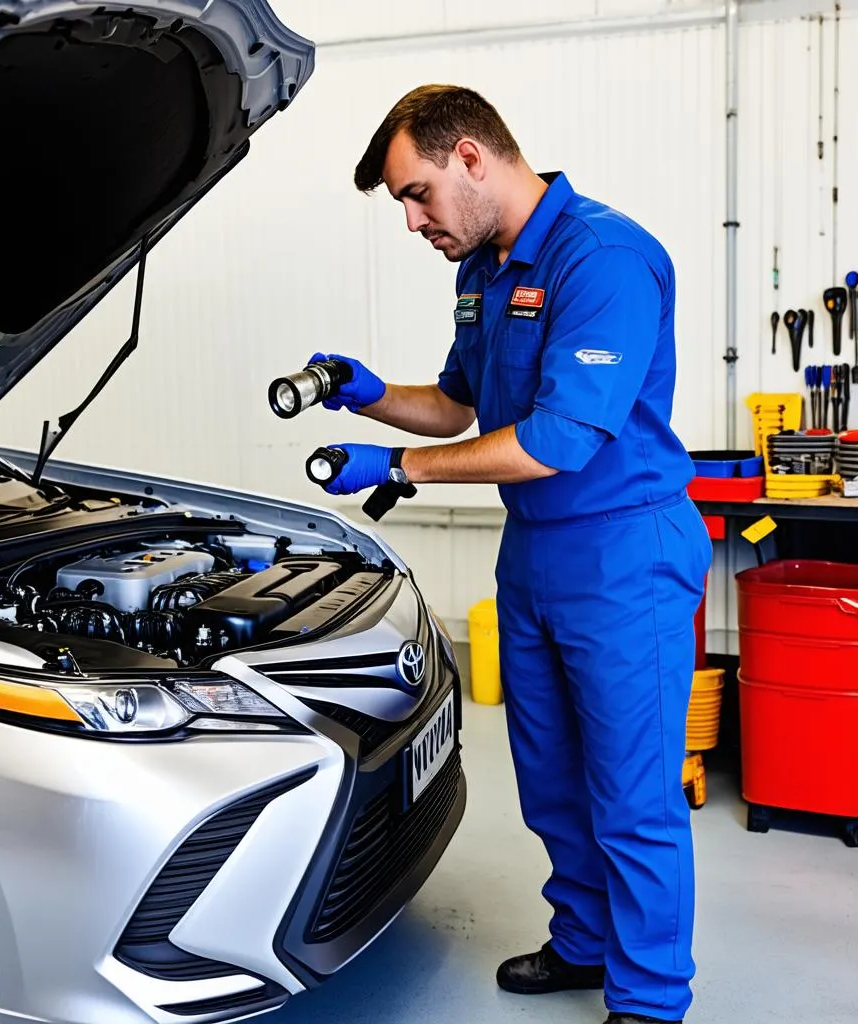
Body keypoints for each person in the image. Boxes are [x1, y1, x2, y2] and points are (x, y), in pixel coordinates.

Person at [302, 85, 712, 1024]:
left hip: (624, 559)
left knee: (633, 793)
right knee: (553, 779)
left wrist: (400, 467)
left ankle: (649, 997)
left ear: (472, 159)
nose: (412, 221)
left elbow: (563, 438)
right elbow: (459, 405)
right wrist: (365, 396)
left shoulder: (603, 259)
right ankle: (583, 942)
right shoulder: (482, 269)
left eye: (417, 193)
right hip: (532, 555)